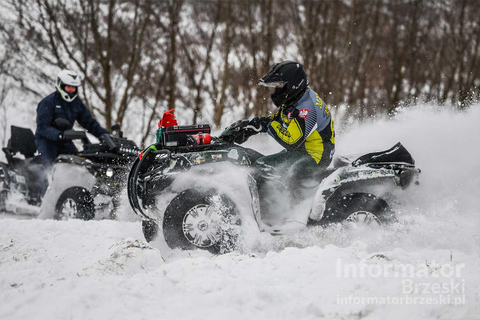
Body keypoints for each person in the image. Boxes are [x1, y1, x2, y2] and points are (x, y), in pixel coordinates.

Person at [222, 60, 335, 195]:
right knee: (250, 159)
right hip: (302, 151)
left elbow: (291, 140)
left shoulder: (306, 109)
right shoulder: (297, 98)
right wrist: (251, 126)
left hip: (315, 158)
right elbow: (278, 120)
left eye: (280, 85)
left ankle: (273, 208)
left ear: (293, 85)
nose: (277, 89)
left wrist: (267, 125)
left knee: (263, 167)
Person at [34, 70, 109, 165]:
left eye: (73, 87)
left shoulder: (77, 104)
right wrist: (59, 135)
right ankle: (46, 179)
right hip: (47, 141)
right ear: (60, 85)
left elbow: (90, 123)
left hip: (65, 141)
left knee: (78, 164)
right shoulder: (48, 102)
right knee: (49, 166)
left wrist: (106, 136)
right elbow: (42, 127)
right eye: (68, 87)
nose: (71, 90)